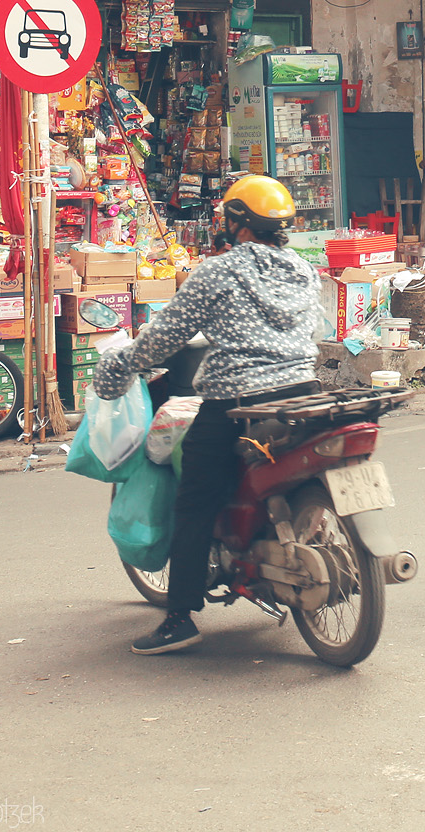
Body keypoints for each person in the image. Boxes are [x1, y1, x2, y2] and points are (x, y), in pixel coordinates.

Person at [95, 175, 324, 655]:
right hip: (302, 393)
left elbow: (165, 337)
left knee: (195, 499)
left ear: (237, 222)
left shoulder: (218, 272)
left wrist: (120, 366)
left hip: (236, 402)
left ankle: (179, 617)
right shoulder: (305, 271)